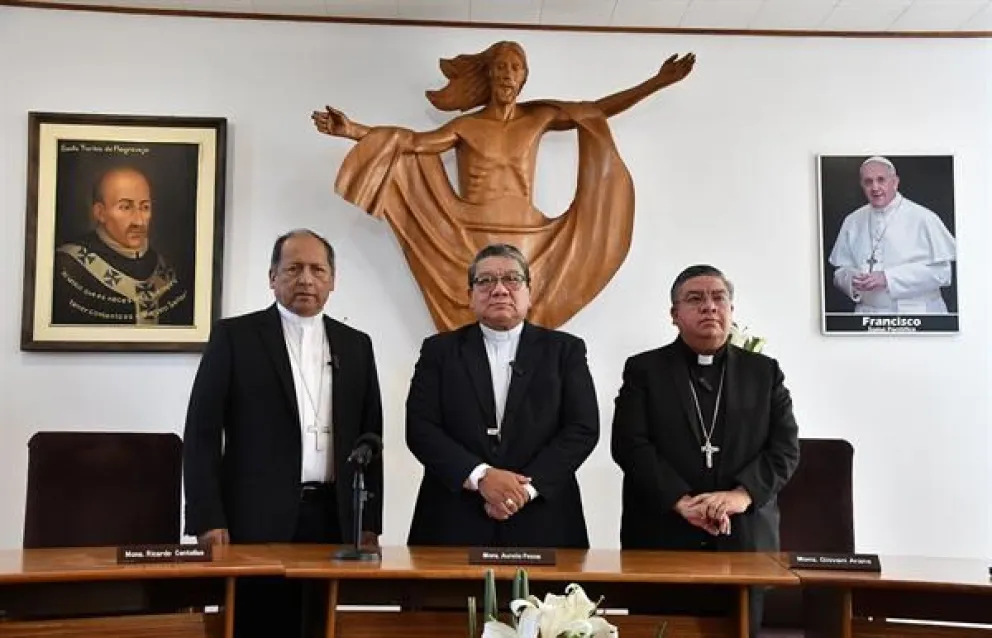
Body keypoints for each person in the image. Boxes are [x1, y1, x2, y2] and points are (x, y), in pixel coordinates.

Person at [312, 42, 695, 331]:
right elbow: (411, 143)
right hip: (468, 236)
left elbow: (595, 109)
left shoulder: (538, 117)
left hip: (532, 240)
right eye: (500, 67)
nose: (507, 74)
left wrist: (656, 83)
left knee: (525, 327)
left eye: (515, 68)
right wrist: (354, 131)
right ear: (488, 76)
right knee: (474, 327)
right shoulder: (466, 126)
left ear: (523, 77)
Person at [182, 229, 383, 638]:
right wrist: (207, 517)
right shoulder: (235, 337)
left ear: (332, 279)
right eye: (293, 269)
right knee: (255, 623)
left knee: (319, 625)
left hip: (333, 517)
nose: (306, 279)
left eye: (317, 269)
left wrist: (370, 522)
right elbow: (202, 433)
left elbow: (371, 436)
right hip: (253, 519)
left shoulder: (357, 345)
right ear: (272, 276)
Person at [611, 264, 800, 637]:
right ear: (674, 314)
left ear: (731, 309)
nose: (709, 307)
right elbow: (629, 445)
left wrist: (740, 496)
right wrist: (681, 501)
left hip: (743, 541)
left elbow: (785, 448)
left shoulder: (764, 372)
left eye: (719, 298)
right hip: (661, 536)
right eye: (695, 299)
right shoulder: (644, 370)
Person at [405, 243, 599, 548]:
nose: (499, 290)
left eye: (511, 279)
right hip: (454, 517)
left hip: (543, 517)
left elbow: (582, 428)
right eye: (485, 281)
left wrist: (522, 490)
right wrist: (481, 477)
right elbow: (421, 427)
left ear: (528, 293)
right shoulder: (439, 351)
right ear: (470, 296)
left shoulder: (564, 350)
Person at [52, 165, 192, 325]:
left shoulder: (165, 267)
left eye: (145, 207)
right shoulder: (68, 266)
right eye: (125, 207)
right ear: (100, 213)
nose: (139, 221)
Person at [828, 156, 956, 314]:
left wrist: (888, 278)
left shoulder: (923, 217)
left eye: (881, 180)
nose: (875, 187)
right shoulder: (853, 220)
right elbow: (839, 271)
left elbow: (943, 274)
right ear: (862, 185)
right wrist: (852, 280)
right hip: (868, 315)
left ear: (895, 182)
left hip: (917, 314)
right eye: (868, 182)